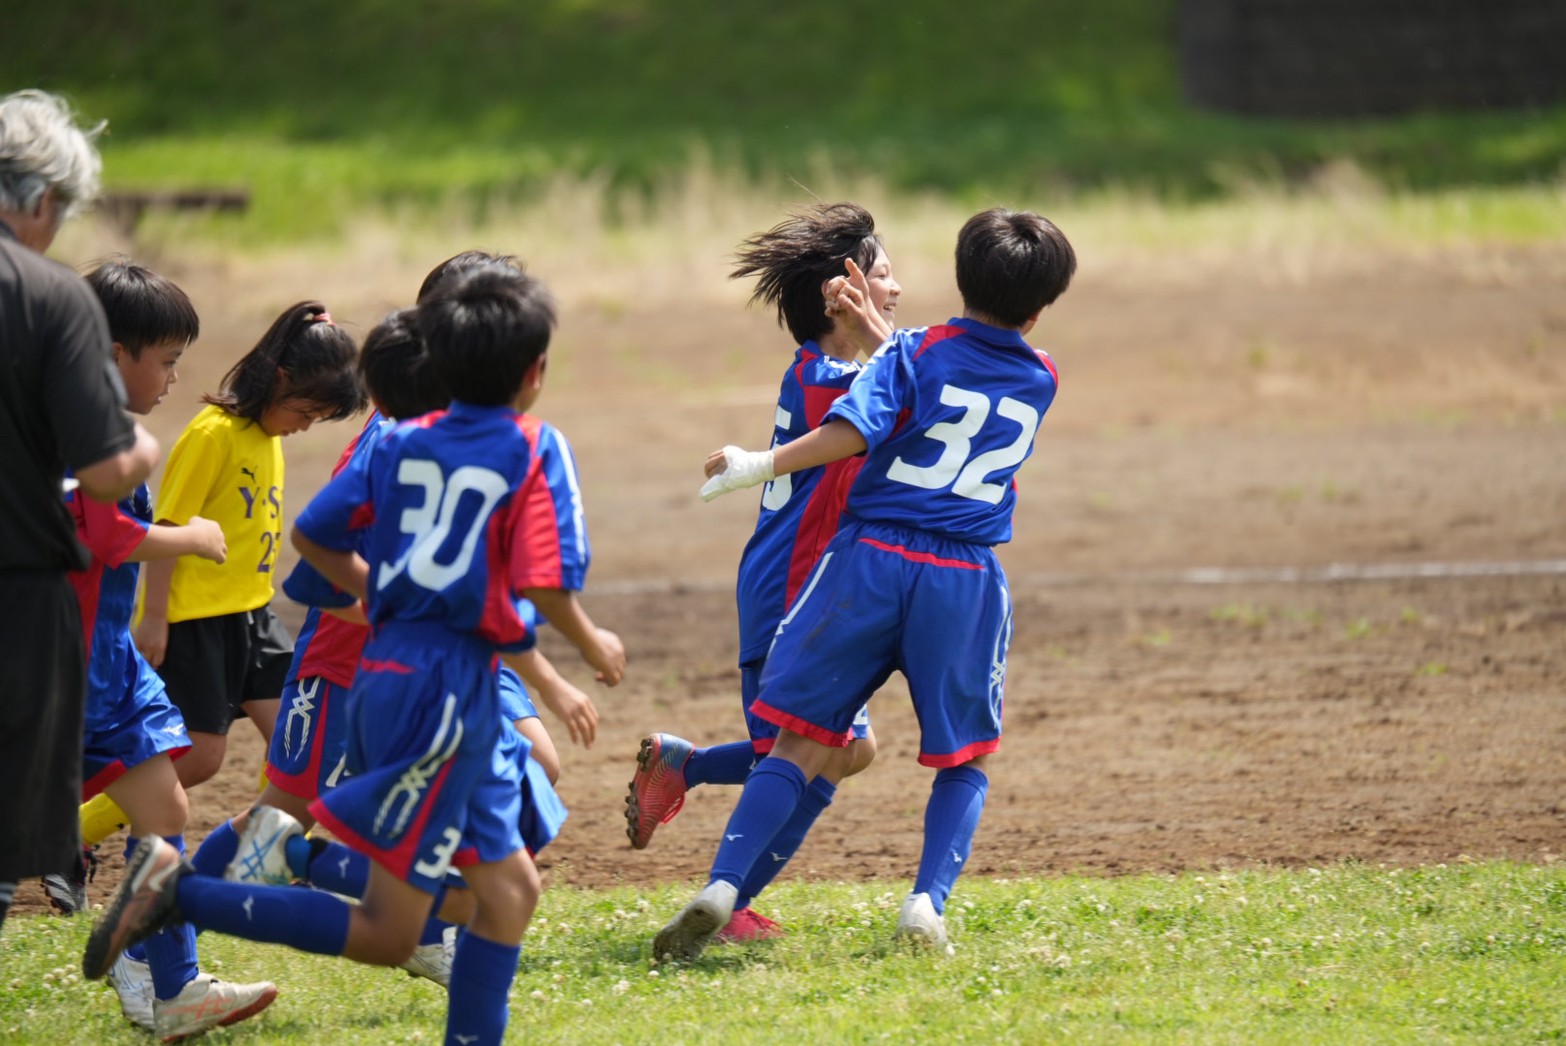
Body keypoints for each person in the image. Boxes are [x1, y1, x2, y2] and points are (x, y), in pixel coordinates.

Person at [84, 263, 626, 1046]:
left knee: (497, 895)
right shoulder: (533, 448)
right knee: (384, 907)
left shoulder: (399, 440)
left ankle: (193, 889)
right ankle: (184, 892)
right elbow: (539, 584)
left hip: (397, 678)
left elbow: (315, 538)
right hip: (422, 691)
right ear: (534, 372)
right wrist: (585, 646)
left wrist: (397, 601)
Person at [653, 207, 1076, 962]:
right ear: (1041, 308)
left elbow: (903, 383)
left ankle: (724, 881)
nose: (893, 287)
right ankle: (912, 904)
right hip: (928, 575)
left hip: (865, 564)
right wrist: (883, 343)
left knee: (815, 744)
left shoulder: (910, 355)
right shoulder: (1040, 376)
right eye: (880, 276)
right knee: (942, 756)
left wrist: (755, 460)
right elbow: (914, 381)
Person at [625, 202, 899, 942]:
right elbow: (904, 393)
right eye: (882, 274)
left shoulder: (830, 369)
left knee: (849, 750)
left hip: (816, 585)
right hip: (791, 590)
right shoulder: (826, 380)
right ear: (841, 294)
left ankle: (687, 770)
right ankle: (730, 904)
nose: (897, 289)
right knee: (814, 751)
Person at [66, 260, 278, 1037]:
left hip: (110, 665)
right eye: (164, 360)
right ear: (115, 353)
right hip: (56, 668)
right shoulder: (68, 429)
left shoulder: (105, 426)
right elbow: (95, 534)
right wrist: (188, 538)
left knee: (167, 809)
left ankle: (174, 984)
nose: (174, 376)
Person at [0, 88, 159, 932]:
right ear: (40, 198)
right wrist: (143, 450)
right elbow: (104, 474)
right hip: (18, 594)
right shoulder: (50, 297)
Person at [131, 300, 363, 795]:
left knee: (297, 738)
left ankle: (259, 847)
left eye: (316, 420)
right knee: (199, 759)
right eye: (305, 412)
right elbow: (166, 528)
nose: (304, 426)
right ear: (278, 379)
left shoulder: (268, 437)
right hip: (197, 619)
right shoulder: (213, 434)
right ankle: (77, 829)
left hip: (254, 614)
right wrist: (154, 615)